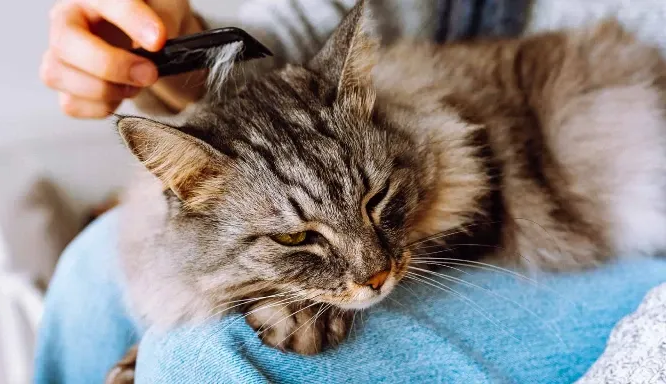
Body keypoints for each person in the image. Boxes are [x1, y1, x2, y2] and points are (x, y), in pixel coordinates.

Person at [35, 1, 666, 383]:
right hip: (281, 123)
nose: (372, 271)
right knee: (88, 271)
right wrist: (175, 45)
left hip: (615, 203)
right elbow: (299, 38)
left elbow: (467, 203)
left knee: (209, 362)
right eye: (299, 237)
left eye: (375, 205)